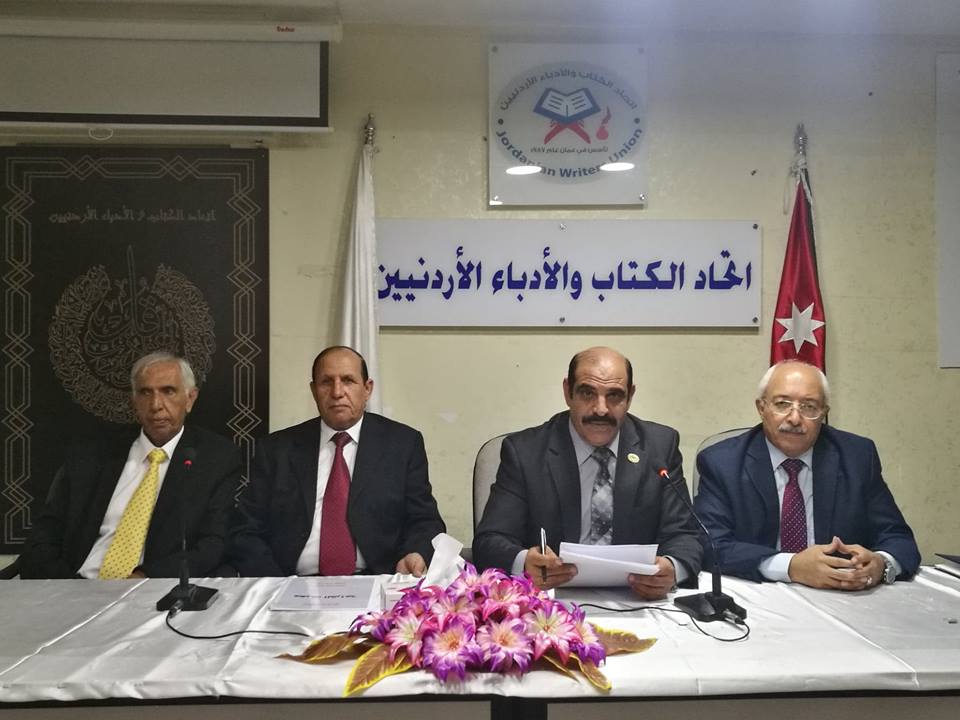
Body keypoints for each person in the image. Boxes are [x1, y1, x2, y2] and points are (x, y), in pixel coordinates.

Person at [472, 346, 702, 599]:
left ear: (630, 396)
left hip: (637, 599)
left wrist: (672, 568)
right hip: (552, 599)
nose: (601, 409)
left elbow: (685, 536)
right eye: (587, 393)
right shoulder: (526, 452)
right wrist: (525, 562)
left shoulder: (659, 447)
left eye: (614, 395)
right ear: (567, 392)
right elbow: (490, 541)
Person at [694, 360, 921, 589]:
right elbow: (710, 545)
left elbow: (898, 539)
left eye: (809, 407)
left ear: (824, 413)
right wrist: (791, 566)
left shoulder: (857, 457)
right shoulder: (722, 462)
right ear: (761, 408)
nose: (794, 418)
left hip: (842, 595)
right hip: (760, 593)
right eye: (782, 404)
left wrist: (881, 564)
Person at [228, 346, 446, 577]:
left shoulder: (402, 444)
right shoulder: (276, 449)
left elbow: (425, 520)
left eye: (348, 380)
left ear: (367, 389)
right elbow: (245, 529)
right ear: (314, 390)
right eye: (326, 382)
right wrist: (274, 583)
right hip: (290, 582)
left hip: (377, 579)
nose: (337, 392)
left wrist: (415, 553)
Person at [20, 352, 241, 579]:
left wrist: (144, 577)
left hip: (152, 586)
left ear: (190, 399)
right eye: (145, 392)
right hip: (78, 582)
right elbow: (45, 533)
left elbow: (213, 544)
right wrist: (66, 584)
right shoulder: (94, 454)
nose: (156, 405)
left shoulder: (216, 458)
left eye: (168, 391)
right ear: (134, 399)